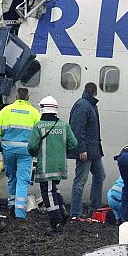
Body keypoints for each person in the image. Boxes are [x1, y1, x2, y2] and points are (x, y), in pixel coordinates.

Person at [27, 96, 77, 234]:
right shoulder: (64, 125)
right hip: (60, 166)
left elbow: (32, 146)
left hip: (45, 167)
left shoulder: (39, 126)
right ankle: (62, 212)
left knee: (48, 193)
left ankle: (56, 222)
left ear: (42, 109)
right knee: (54, 189)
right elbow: (74, 144)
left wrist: (35, 152)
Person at [0, 87, 41, 219]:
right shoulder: (34, 112)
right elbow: (39, 134)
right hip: (25, 152)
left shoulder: (5, 111)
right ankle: (19, 213)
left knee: (12, 178)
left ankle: (11, 206)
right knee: (22, 180)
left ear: (16, 97)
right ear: (28, 97)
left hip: (8, 150)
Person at [68, 82, 106, 218]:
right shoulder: (85, 106)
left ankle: (94, 208)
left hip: (93, 150)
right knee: (80, 181)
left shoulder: (86, 105)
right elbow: (78, 131)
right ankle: (76, 212)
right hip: (87, 151)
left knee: (100, 176)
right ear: (95, 92)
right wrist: (82, 149)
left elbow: (78, 129)